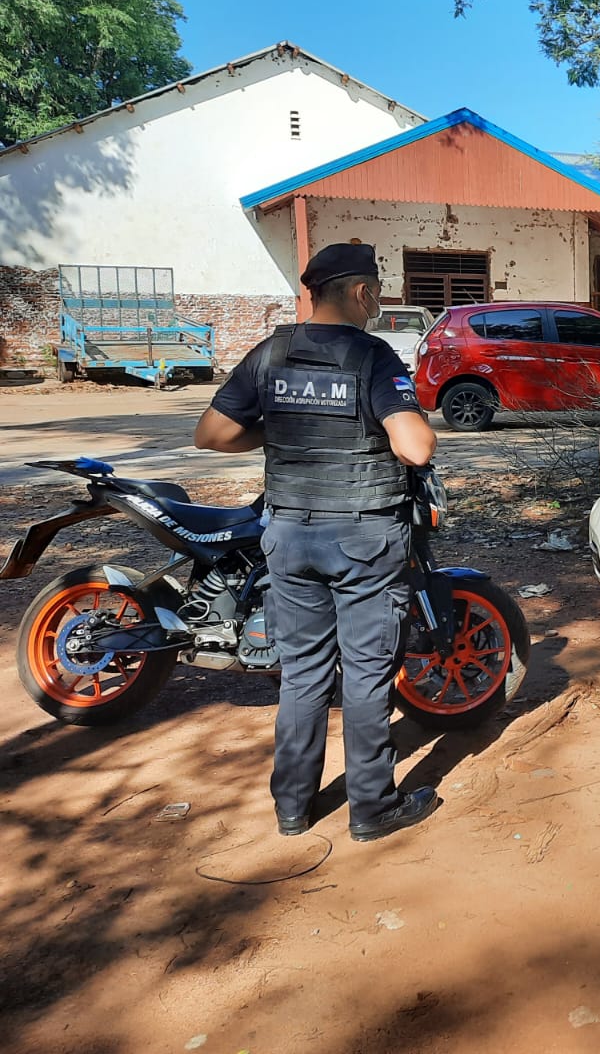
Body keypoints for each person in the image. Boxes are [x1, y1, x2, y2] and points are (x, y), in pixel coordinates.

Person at [194, 243, 442, 841]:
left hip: (289, 537)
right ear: (360, 292)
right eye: (377, 289)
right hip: (361, 537)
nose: (378, 299)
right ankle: (372, 808)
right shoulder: (373, 357)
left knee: (302, 674)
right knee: (363, 674)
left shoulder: (270, 353)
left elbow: (212, 433)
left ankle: (292, 808)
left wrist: (276, 430)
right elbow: (416, 448)